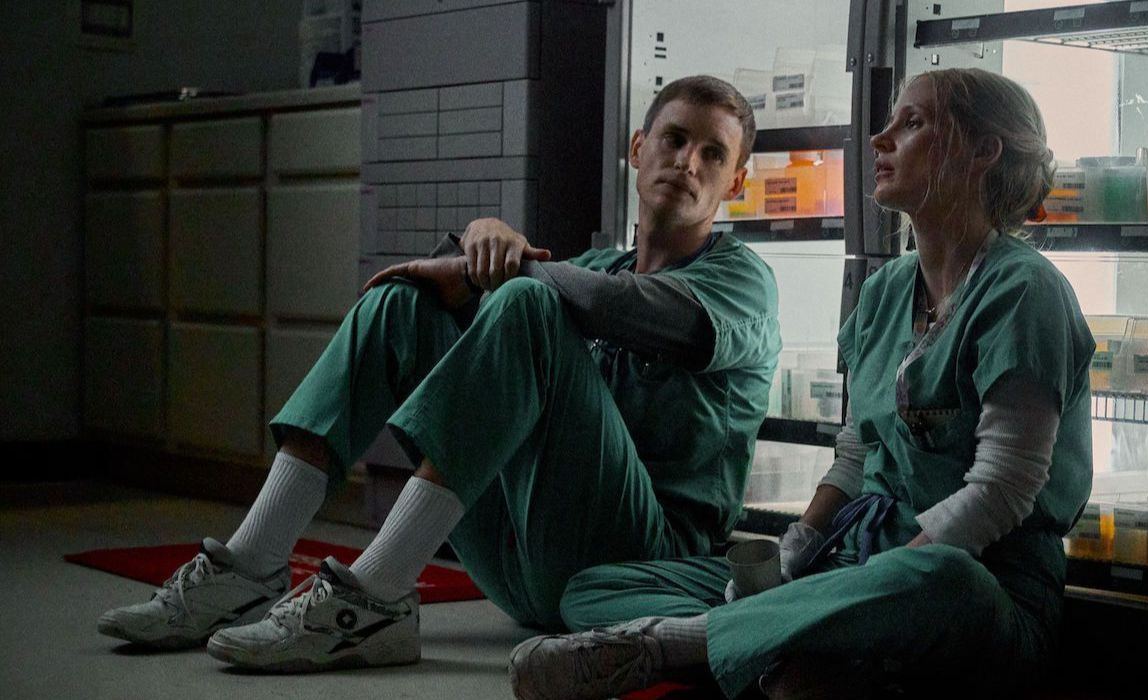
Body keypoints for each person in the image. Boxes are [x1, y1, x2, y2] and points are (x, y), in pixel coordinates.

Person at [96, 74, 782, 673]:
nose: (687, 162)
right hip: (524, 562)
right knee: (402, 304)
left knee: (523, 298)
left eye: (712, 153)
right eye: (674, 140)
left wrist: (494, 261)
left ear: (736, 180)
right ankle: (249, 565)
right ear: (638, 149)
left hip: (639, 563)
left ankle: (374, 599)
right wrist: (473, 248)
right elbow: (467, 307)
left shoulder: (743, 280)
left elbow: (609, 306)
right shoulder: (594, 265)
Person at [508, 67, 1095, 700]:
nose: (880, 137)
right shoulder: (885, 291)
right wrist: (796, 553)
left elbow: (1003, 491)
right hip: (849, 563)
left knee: (939, 578)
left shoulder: (1026, 290)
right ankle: (798, 658)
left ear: (983, 152)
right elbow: (856, 456)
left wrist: (851, 584)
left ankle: (664, 646)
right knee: (592, 589)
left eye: (913, 123)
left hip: (973, 588)